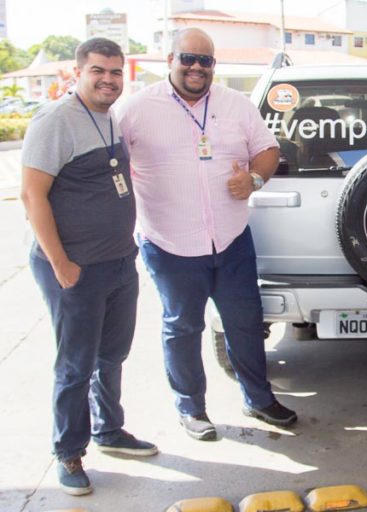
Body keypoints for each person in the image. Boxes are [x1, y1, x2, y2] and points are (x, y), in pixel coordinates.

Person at [118, 28, 296, 441]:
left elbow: (268, 150)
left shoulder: (236, 105)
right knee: (182, 327)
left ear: (214, 66)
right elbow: (112, 167)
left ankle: (258, 399)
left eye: (206, 61)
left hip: (232, 239)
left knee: (246, 323)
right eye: (188, 58)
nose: (197, 67)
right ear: (170, 61)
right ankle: (191, 409)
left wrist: (253, 178)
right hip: (170, 244)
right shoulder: (136, 110)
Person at [20, 38, 157, 496]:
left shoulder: (108, 116)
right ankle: (68, 451)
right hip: (75, 267)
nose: (108, 79)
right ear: (78, 72)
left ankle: (109, 430)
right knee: (75, 365)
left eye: (116, 72)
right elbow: (31, 196)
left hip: (118, 260)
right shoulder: (56, 120)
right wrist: (61, 264)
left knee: (111, 356)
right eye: (98, 70)